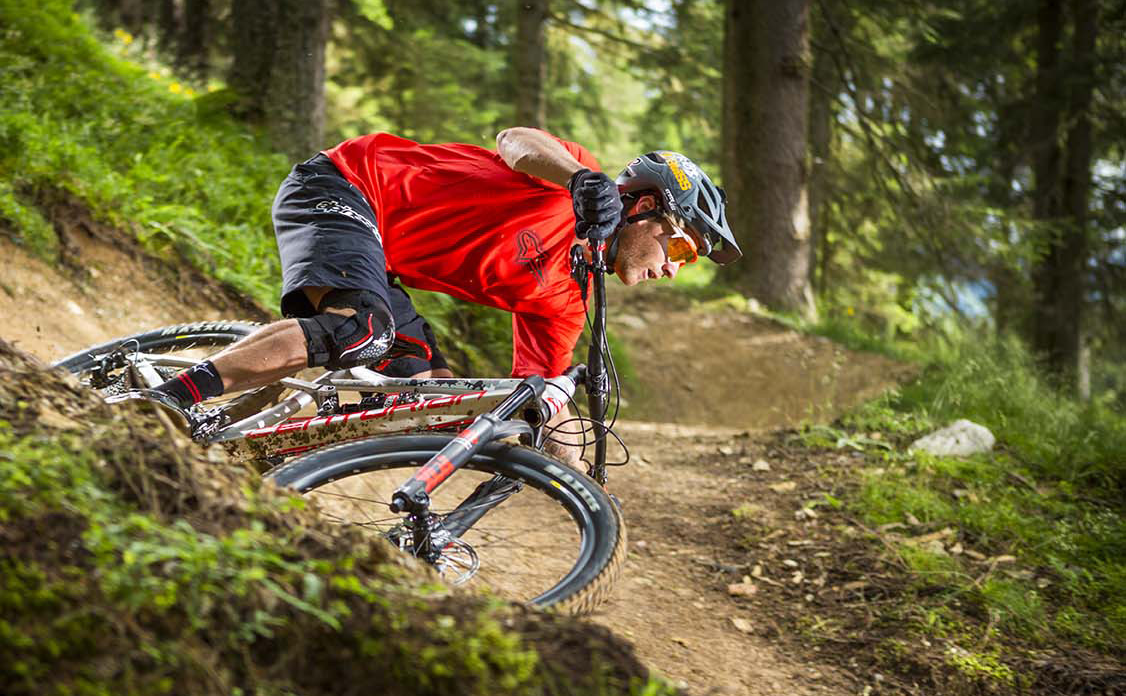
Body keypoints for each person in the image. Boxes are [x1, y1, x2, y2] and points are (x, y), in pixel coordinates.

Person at [145, 127, 741, 466]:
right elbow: (515, 142)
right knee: (363, 329)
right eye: (681, 250)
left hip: (380, 256)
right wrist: (578, 179)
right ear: (643, 210)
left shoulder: (565, 300)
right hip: (348, 184)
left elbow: (541, 392)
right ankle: (165, 403)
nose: (672, 270)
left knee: (430, 395)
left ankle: (245, 448)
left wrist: (574, 469)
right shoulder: (569, 178)